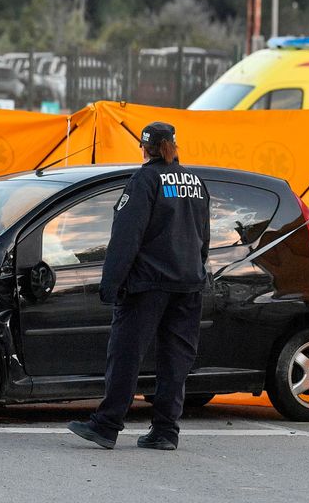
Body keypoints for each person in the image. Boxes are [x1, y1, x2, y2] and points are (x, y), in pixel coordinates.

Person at [67, 121, 210, 451]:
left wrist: (111, 282)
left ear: (145, 147)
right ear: (173, 145)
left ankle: (106, 425)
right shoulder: (195, 181)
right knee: (175, 360)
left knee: (126, 354)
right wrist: (195, 268)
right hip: (188, 284)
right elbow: (203, 236)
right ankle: (165, 431)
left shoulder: (144, 180)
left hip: (149, 284)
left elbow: (126, 236)